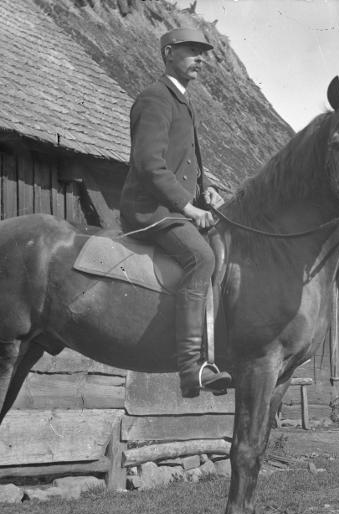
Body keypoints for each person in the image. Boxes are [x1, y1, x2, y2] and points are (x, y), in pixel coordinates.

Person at [120, 27, 231, 398]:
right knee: (202, 258)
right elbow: (150, 165)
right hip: (150, 210)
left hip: (174, 208)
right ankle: (190, 368)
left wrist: (205, 189)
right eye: (192, 51)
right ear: (168, 53)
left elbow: (185, 164)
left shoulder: (183, 101)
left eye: (202, 53)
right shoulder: (154, 98)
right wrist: (188, 207)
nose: (200, 59)